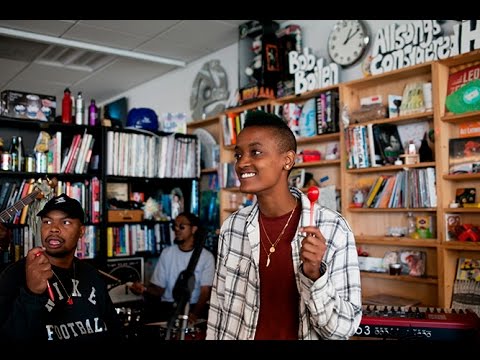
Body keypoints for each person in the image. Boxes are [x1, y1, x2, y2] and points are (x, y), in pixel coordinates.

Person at [206, 110, 362, 340]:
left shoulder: (333, 228)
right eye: (238, 155)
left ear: (287, 160)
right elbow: (219, 310)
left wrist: (315, 275)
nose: (242, 163)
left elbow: (342, 329)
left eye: (255, 152)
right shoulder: (232, 227)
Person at [0, 193, 121, 345]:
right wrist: (32, 295)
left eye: (66, 222)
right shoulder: (14, 274)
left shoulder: (91, 274)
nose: (54, 229)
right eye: (47, 221)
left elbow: (115, 332)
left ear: (81, 232)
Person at [130, 211, 215, 328]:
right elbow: (159, 289)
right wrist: (143, 288)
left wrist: (195, 314)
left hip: (193, 307)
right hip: (168, 307)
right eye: (174, 226)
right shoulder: (167, 253)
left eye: (181, 226)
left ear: (194, 229)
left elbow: (205, 292)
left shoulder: (206, 257)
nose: (176, 230)